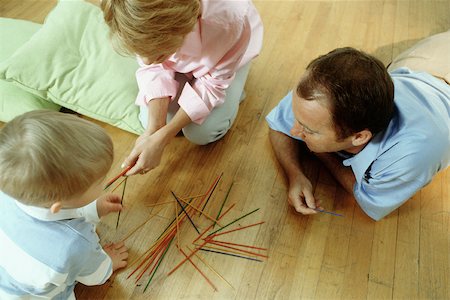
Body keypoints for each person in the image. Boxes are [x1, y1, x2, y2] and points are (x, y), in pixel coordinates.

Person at [266, 47, 450, 221]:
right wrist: (295, 175)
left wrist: (319, 151)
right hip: (421, 61)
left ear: (359, 137)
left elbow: (367, 197)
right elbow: (277, 124)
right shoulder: (318, 96)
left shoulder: (411, 156)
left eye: (308, 130)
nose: (294, 130)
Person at [100, 0, 263, 176]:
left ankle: (236, 90)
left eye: (155, 51)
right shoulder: (138, 20)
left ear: (178, 27)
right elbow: (152, 68)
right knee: (149, 120)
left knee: (201, 133)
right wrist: (154, 129)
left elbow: (211, 85)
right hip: (179, 44)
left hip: (226, 59)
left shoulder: (229, 21)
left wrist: (163, 139)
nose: (145, 60)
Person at [0, 110, 129, 299]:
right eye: (99, 182)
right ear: (58, 205)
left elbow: (60, 211)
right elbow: (94, 277)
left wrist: (93, 209)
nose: (104, 183)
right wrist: (107, 262)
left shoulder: (11, 189)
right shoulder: (74, 245)